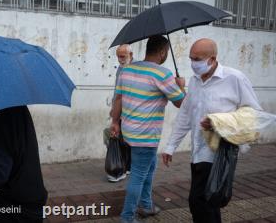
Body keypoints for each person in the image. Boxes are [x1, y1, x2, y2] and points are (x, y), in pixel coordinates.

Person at [162, 38, 262, 223]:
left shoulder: (235, 78)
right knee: (209, 202)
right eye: (191, 58)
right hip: (197, 152)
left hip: (220, 152)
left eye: (197, 59)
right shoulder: (194, 81)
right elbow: (185, 114)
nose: (193, 63)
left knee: (200, 202)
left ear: (212, 58)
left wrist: (219, 122)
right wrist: (170, 146)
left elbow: (253, 114)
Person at [111, 35, 185, 223]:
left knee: (150, 166)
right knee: (138, 174)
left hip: (129, 130)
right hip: (145, 135)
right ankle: (127, 217)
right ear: (162, 52)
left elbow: (118, 99)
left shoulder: (127, 69)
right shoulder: (162, 74)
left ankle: (146, 204)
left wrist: (115, 122)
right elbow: (181, 103)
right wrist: (181, 87)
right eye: (166, 52)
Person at [106, 44, 134, 183]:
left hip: (131, 110)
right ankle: (122, 167)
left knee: (126, 140)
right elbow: (117, 91)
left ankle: (124, 168)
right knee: (120, 138)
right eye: (118, 56)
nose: (120, 59)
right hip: (120, 108)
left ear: (131, 55)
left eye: (122, 56)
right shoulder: (120, 69)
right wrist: (114, 108)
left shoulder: (135, 69)